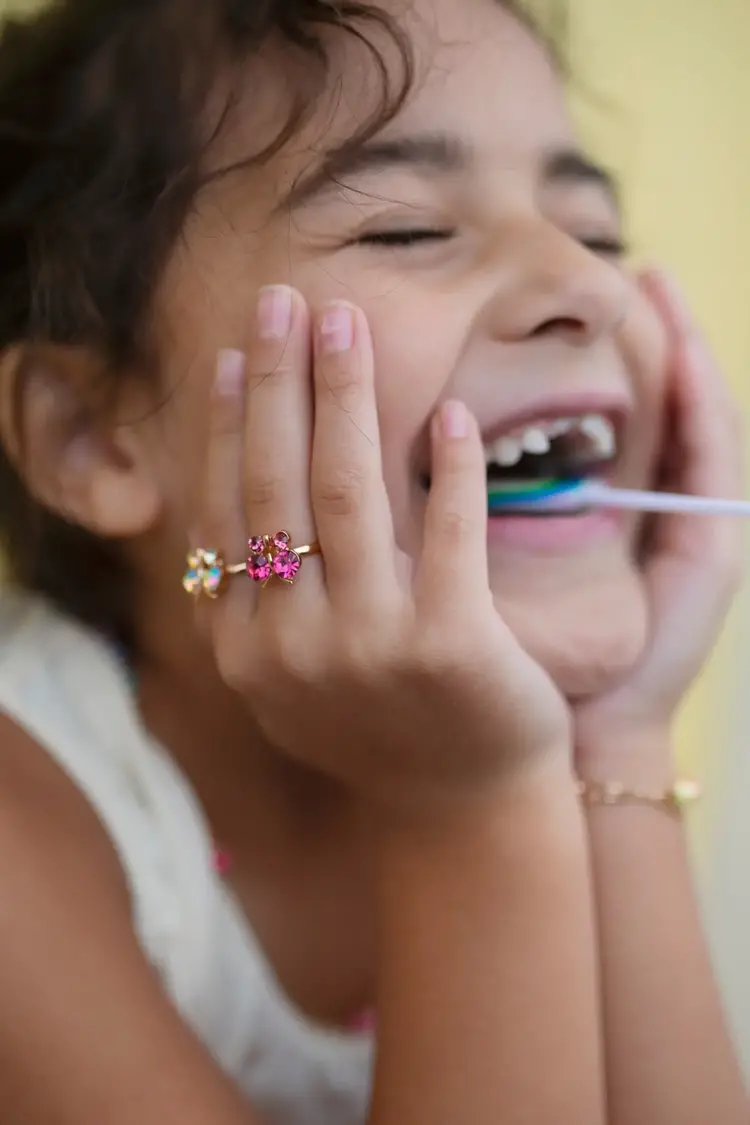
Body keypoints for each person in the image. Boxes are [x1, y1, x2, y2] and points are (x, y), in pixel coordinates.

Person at [0, 1, 745, 1122]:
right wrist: (468, 805)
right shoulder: (23, 835)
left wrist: (624, 728)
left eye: (595, 233)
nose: (589, 288)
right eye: (407, 230)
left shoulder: (561, 728)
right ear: (94, 437)